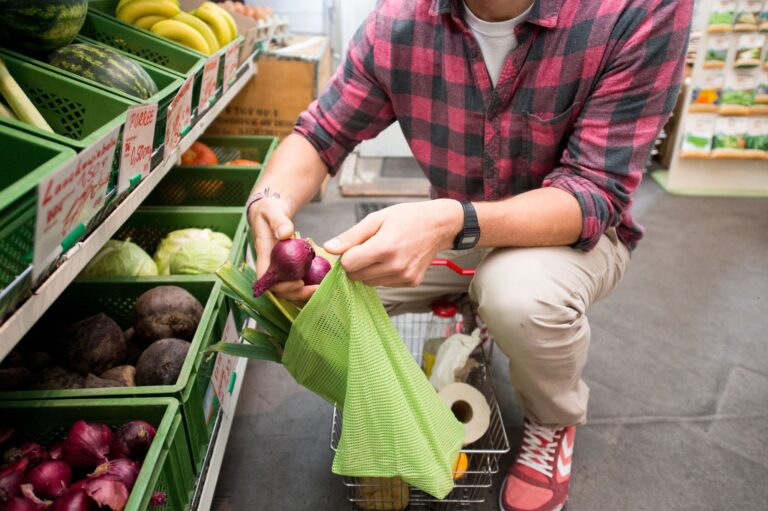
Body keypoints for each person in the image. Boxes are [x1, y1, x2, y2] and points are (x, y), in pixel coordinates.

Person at [247, 0, 691, 509]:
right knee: (313, 291)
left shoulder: (636, 10)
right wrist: (268, 201)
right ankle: (410, 388)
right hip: (454, 231)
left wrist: (448, 222)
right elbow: (321, 133)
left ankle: (552, 418)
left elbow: (595, 191)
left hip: (573, 233)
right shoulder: (398, 20)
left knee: (519, 296)